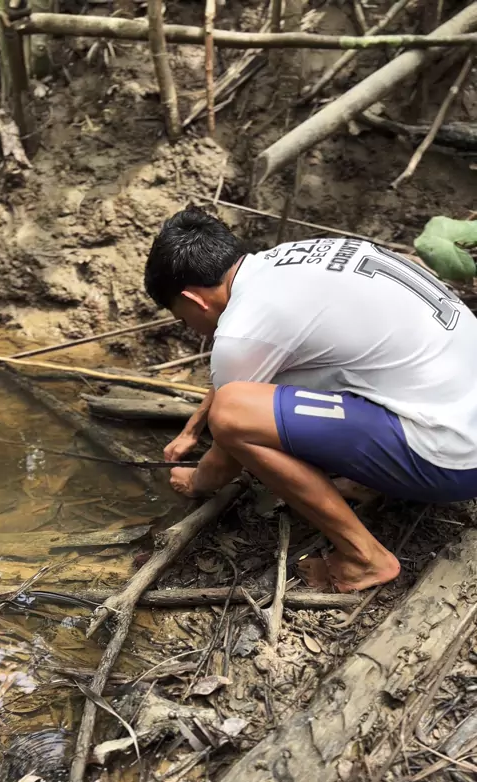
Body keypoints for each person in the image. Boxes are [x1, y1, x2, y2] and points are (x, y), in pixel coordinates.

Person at [144, 206, 477, 593]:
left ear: (194, 300)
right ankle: (376, 477)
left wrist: (196, 480)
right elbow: (250, 361)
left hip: (455, 458)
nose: (191, 328)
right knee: (260, 391)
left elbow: (224, 453)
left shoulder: (242, 331)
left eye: (183, 319)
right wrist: (191, 429)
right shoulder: (291, 259)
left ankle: (364, 558)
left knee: (233, 415)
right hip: (457, 408)